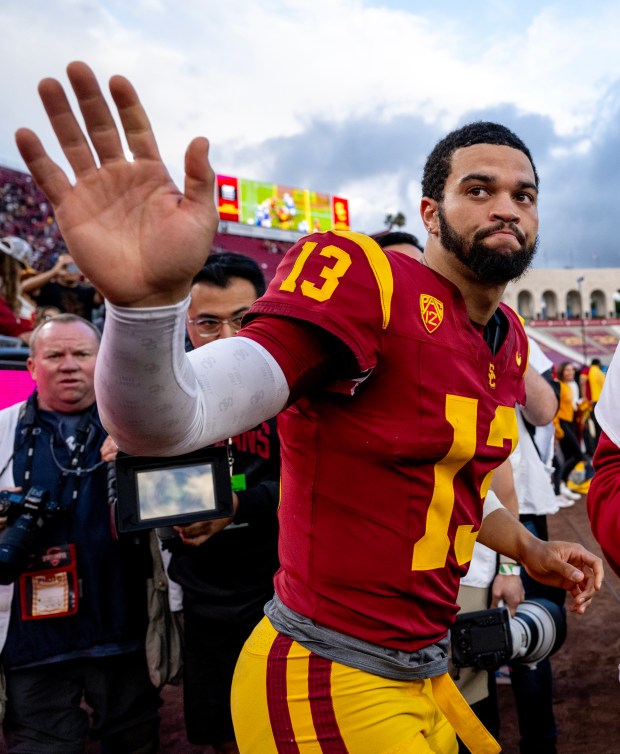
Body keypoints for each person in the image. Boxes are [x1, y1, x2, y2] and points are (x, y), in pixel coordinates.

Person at [15, 62, 603, 754]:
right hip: (331, 672)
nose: (507, 206)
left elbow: (455, 486)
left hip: (420, 663)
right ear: (429, 213)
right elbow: (171, 417)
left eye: (524, 194)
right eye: (479, 189)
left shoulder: (503, 340)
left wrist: (529, 548)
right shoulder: (369, 279)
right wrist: (143, 314)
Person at [0, 314, 160, 753]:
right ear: (31, 366)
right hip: (30, 641)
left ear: (102, 361)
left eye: (82, 354)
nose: (69, 364)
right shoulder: (1, 429)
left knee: (135, 740)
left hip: (121, 625)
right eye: (55, 355)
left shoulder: (141, 426)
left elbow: (186, 502)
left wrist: (140, 460)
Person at [167, 252, 280, 754]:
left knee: (283, 728)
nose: (230, 339)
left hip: (282, 595)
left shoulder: (298, 391)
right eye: (209, 323)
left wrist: (238, 508)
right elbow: (154, 488)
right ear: (186, 325)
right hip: (204, 596)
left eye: (244, 319)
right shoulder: (165, 397)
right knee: (222, 732)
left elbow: (318, 484)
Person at [21, 251, 103, 322]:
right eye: (66, 266)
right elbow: (24, 288)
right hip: (52, 330)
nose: (71, 271)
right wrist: (54, 271)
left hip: (81, 334)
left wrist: (97, 282)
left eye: (75, 267)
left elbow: (102, 299)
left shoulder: (87, 290)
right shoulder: (47, 287)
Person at [553, 361, 583, 503]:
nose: (570, 372)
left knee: (568, 456)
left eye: (572, 370)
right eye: (567, 370)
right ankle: (560, 484)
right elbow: (555, 407)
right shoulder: (558, 385)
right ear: (561, 371)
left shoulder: (570, 385)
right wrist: (557, 426)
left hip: (570, 422)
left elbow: (572, 405)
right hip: (562, 423)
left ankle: (561, 485)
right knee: (578, 455)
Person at [0, 236, 34, 344]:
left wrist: (47, 318)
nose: (21, 273)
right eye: (21, 267)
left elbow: (31, 319)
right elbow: (10, 325)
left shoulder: (11, 294)